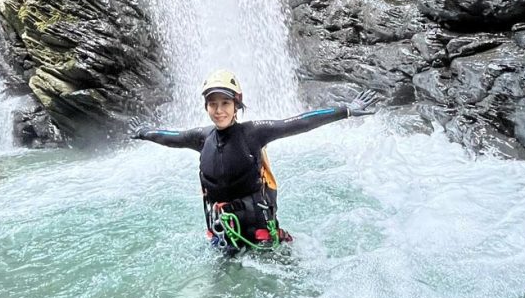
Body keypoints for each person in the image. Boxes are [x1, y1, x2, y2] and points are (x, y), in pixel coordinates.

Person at [129, 69, 377, 252]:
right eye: (212, 104)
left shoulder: (253, 133)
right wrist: (144, 133)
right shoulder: (202, 138)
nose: (219, 110)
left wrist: (345, 110)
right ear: (206, 107)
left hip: (259, 232)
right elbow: (170, 137)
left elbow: (298, 122)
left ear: (236, 104)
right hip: (224, 234)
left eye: (225, 103)